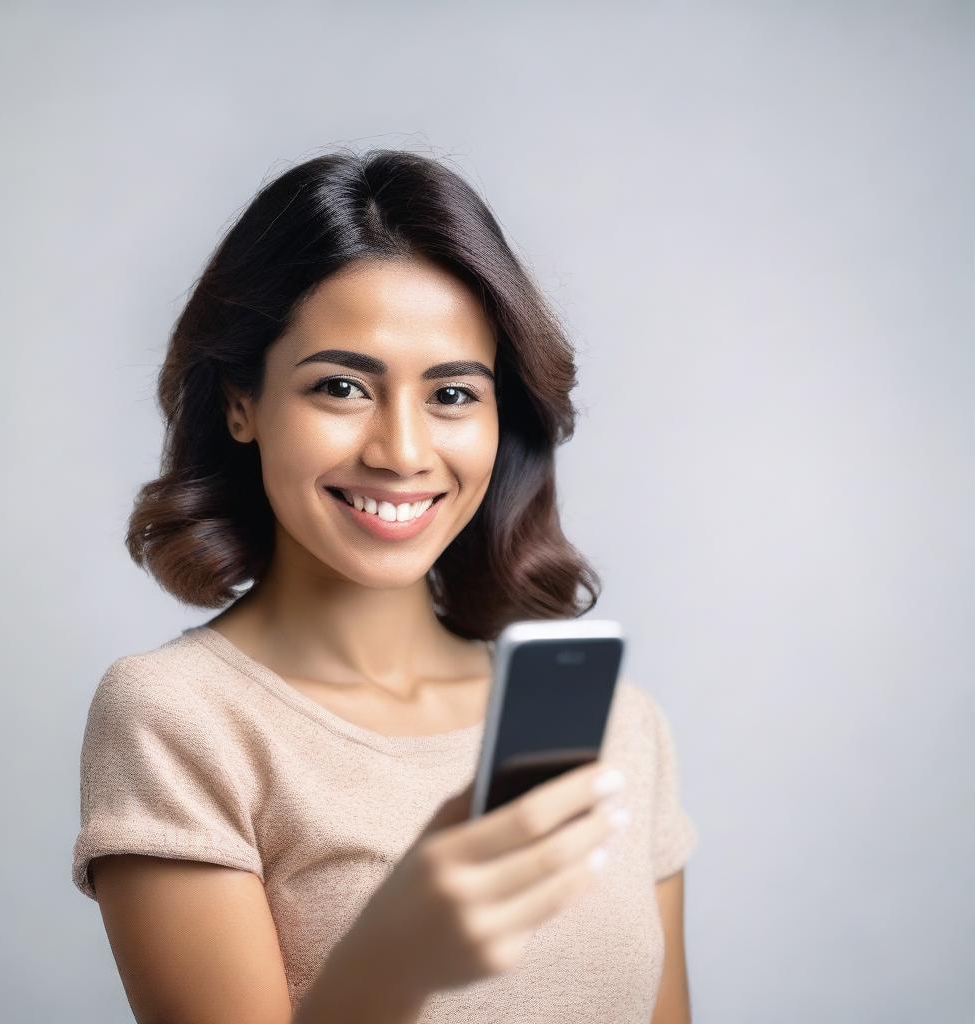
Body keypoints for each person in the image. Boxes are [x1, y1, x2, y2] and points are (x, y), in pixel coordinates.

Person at [70, 148, 699, 1023]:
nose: (402, 452)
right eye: (341, 386)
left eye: (451, 394)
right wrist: (395, 956)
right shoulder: (176, 718)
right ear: (240, 403)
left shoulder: (619, 729)